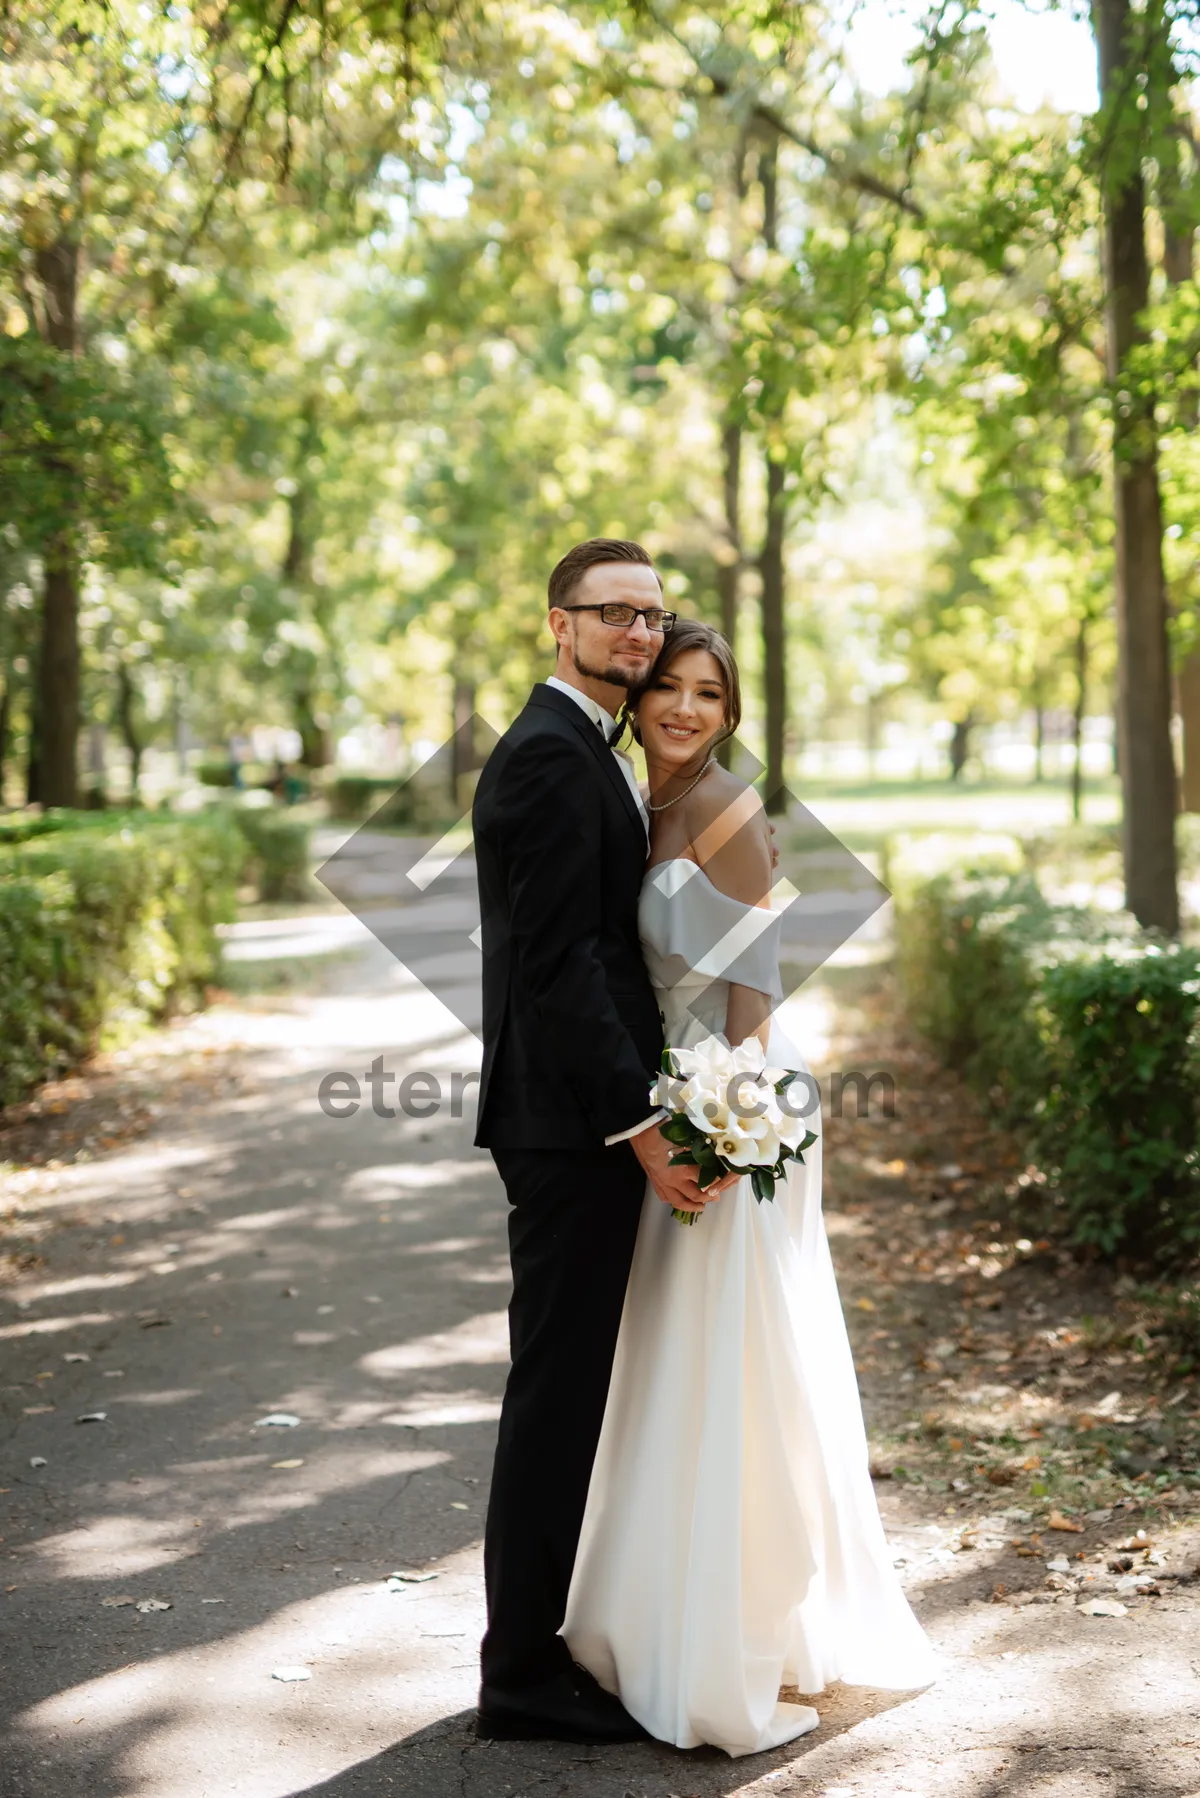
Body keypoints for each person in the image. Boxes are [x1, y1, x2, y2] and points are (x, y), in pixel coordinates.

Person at [561, 617, 940, 1756]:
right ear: (639, 699)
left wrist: (725, 1128)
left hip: (730, 1108)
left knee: (734, 1367)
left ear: (731, 714)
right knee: (678, 1361)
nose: (683, 708)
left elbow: (756, 993)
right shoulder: (640, 798)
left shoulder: (725, 810)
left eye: (708, 696)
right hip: (678, 1100)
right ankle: (659, 1617)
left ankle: (732, 1638)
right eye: (667, 686)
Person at [471, 539, 734, 1744]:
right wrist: (637, 1126)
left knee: (575, 1388)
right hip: (572, 1127)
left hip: (593, 1114)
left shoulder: (596, 748)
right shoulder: (543, 756)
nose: (639, 634)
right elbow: (557, 965)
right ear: (556, 623)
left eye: (652, 614)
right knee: (557, 1394)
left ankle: (544, 1640)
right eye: (613, 614)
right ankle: (519, 1671)